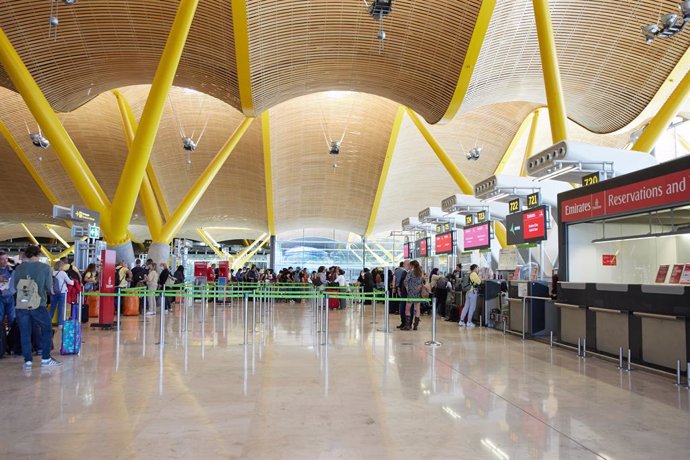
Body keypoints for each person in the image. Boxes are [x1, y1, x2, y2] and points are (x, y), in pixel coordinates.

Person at [12, 245, 62, 369]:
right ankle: (45, 358)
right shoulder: (45, 268)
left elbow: (15, 285)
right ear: (38, 254)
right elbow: (48, 286)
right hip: (38, 304)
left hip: (22, 305)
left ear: (27, 255)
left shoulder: (19, 268)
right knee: (46, 330)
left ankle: (27, 361)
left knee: (25, 333)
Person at [50, 260, 74, 328]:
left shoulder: (52, 273)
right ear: (61, 266)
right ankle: (60, 323)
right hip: (62, 292)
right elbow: (70, 282)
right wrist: (73, 281)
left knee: (52, 308)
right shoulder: (62, 273)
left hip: (53, 292)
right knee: (61, 308)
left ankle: (48, 322)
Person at [402, 260, 423, 331]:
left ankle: (407, 326)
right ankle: (415, 326)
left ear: (412, 265)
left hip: (411, 293)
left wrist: (408, 288)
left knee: (407, 309)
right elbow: (421, 283)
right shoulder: (420, 273)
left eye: (410, 265)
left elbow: (405, 281)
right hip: (417, 293)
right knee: (418, 309)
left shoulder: (410, 272)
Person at [0, 251, 16, 327]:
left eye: (6, 258)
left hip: (10, 297)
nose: (5, 261)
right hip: (0, 297)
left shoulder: (12, 270)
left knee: (12, 318)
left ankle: (11, 337)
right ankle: (2, 338)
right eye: (2, 259)